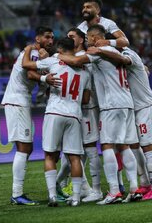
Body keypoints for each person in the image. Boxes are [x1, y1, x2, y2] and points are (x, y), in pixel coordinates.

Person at [57, 25, 141, 205]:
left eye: (88, 38)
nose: (87, 41)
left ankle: (113, 192)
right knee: (124, 146)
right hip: (126, 103)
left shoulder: (99, 50)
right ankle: (134, 188)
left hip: (111, 105)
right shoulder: (114, 51)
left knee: (108, 145)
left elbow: (77, 62)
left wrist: (57, 56)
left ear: (95, 37)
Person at [87, 46, 152, 200]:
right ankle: (145, 184)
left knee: (148, 146)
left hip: (145, 106)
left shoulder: (128, 54)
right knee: (134, 145)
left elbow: (126, 61)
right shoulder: (117, 59)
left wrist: (100, 51)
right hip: (134, 107)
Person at [22, 37, 91, 207]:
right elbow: (86, 99)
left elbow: (26, 66)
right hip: (74, 114)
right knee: (75, 157)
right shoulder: (85, 71)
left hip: (55, 112)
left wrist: (28, 50)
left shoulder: (53, 61)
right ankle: (75, 198)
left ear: (59, 48)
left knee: (50, 155)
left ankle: (52, 196)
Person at [1, 26, 60, 206]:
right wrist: (44, 80)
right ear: (38, 39)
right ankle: (16, 194)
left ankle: (17, 193)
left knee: (26, 147)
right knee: (24, 147)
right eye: (47, 37)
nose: (50, 40)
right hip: (18, 101)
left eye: (52, 37)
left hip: (20, 100)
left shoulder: (40, 54)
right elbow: (29, 72)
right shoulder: (33, 52)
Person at [55, 28, 103, 202]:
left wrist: (55, 56)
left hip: (87, 108)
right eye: (66, 36)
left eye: (71, 36)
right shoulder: (69, 58)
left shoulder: (85, 56)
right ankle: (81, 188)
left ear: (81, 40)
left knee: (90, 149)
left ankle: (96, 190)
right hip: (73, 110)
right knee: (71, 153)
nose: (68, 38)